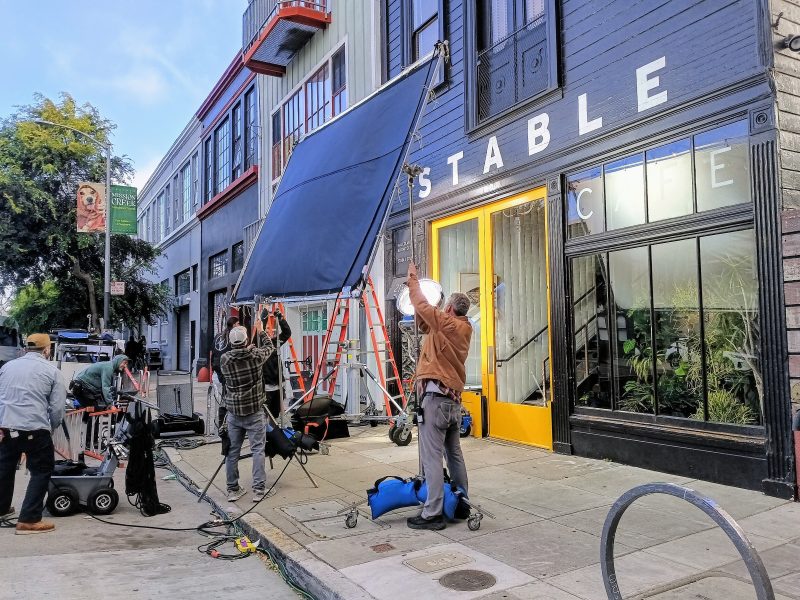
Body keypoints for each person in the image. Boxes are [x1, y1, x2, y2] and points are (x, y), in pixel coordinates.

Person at [406, 262, 473, 531]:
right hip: (453, 401)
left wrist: (413, 279)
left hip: (435, 399)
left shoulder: (447, 324)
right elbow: (425, 322)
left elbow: (423, 308)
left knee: (431, 456)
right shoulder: (462, 328)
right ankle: (462, 502)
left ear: (448, 309)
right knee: (453, 453)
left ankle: (432, 511)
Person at [0, 333, 67, 534]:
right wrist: (52, 428)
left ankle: (2, 509)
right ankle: (29, 519)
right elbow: (56, 409)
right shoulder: (52, 371)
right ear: (47, 349)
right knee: (41, 470)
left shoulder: (7, 367)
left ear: (27, 348)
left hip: (7, 427)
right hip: (34, 429)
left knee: (4, 468)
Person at [220, 321, 275, 503]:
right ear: (245, 341)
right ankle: (259, 490)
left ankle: (232, 489)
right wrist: (260, 332)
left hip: (234, 413)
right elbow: (270, 347)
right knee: (258, 449)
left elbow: (236, 356)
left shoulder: (225, 359)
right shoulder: (255, 356)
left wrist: (247, 349)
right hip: (254, 411)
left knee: (232, 452)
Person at [262, 309, 291, 421]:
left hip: (279, 384)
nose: (269, 334)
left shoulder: (275, 343)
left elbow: (287, 333)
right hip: (267, 387)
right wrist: (263, 320)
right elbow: (259, 333)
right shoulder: (259, 345)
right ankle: (266, 434)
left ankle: (274, 433)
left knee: (275, 414)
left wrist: (280, 318)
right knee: (265, 414)